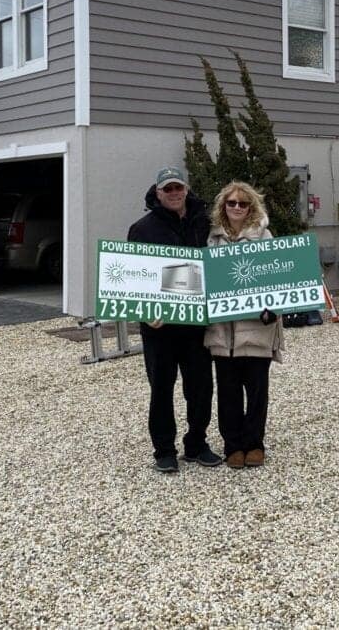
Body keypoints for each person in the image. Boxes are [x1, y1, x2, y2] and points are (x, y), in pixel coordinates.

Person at [127, 166, 222, 473]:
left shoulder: (204, 223)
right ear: (157, 193)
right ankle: (164, 450)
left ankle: (196, 443)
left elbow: (219, 265)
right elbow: (132, 277)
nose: (174, 193)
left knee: (201, 387)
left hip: (196, 325)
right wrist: (144, 312)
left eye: (178, 187)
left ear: (186, 189)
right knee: (161, 389)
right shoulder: (142, 229)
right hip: (160, 327)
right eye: (167, 189)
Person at [205, 181, 285, 469]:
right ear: (223, 206)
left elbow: (279, 277)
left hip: (256, 328)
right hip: (222, 331)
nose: (237, 208)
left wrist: (273, 309)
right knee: (227, 392)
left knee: (256, 390)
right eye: (231, 203)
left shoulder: (264, 237)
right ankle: (232, 445)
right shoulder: (212, 240)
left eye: (243, 203)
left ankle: (255, 443)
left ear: (252, 206)